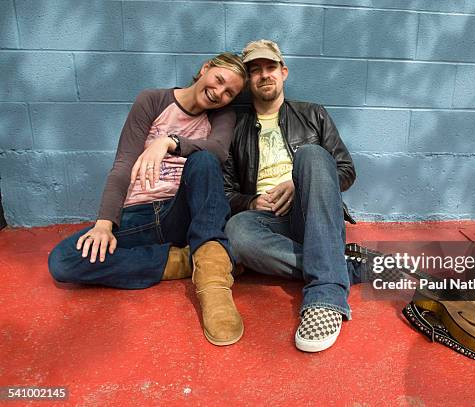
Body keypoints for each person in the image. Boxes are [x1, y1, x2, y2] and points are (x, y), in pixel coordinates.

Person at [48, 53, 247, 346]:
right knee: (64, 260)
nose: (219, 93)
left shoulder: (222, 115)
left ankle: (214, 284)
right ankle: (182, 262)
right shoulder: (152, 101)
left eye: (229, 92)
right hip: (138, 215)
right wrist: (104, 223)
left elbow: (218, 150)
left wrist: (169, 142)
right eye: (219, 80)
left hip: (181, 213)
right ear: (205, 69)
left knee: (204, 161)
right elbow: (124, 163)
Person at [223, 40, 363, 352]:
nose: (264, 75)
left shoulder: (313, 114)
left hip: (310, 208)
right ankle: (338, 264)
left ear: (283, 72)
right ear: (248, 81)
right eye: (255, 70)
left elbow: (345, 170)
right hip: (269, 219)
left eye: (270, 67)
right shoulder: (235, 128)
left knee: (312, 155)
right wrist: (250, 202)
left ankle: (326, 294)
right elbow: (227, 191)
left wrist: (298, 182)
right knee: (236, 232)